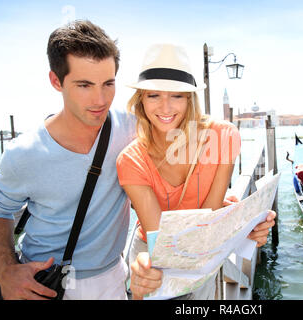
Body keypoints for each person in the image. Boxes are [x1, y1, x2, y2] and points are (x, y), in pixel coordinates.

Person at [0, 20, 159, 300]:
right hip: (41, 283)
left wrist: (223, 207)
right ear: (56, 81)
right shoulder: (23, 153)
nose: (100, 99)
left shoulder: (133, 130)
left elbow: (179, 172)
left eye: (108, 83)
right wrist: (4, 270)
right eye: (84, 85)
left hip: (112, 278)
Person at [116, 44, 277, 299]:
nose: (165, 107)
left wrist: (246, 226)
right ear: (141, 99)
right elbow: (163, 243)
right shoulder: (131, 160)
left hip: (203, 253)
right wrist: (229, 226)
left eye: (177, 95)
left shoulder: (223, 137)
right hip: (149, 261)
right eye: (153, 95)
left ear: (190, 98)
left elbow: (210, 217)